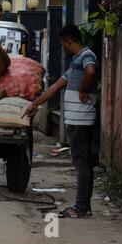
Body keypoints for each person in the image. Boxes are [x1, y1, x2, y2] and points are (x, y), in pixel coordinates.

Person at [23, 24, 99, 218]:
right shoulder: (76, 61)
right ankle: (85, 206)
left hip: (81, 120)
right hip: (77, 120)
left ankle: (80, 208)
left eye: (63, 44)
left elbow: (91, 71)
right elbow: (56, 86)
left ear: (68, 42)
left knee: (82, 164)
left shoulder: (86, 56)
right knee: (84, 163)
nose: (63, 48)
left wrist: (83, 90)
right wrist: (35, 104)